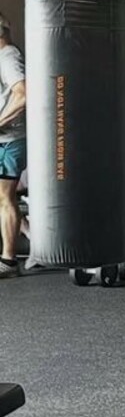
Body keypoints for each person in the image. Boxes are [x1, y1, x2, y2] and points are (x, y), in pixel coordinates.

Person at [0, 15, 28, 279]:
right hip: (4, 140)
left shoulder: (8, 57)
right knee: (3, 198)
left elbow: (23, 94)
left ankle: (9, 261)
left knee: (4, 198)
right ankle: (32, 236)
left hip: (9, 141)